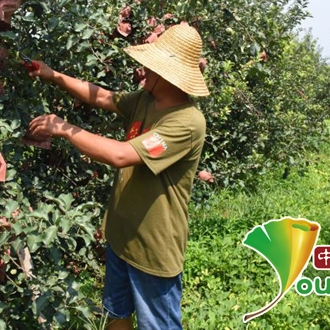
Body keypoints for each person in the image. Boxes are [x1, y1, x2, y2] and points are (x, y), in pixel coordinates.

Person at [27, 23, 209, 330]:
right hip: (122, 236)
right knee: (116, 313)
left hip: (154, 248)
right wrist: (53, 75)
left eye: (153, 65)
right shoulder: (145, 99)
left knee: (157, 325)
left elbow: (121, 155)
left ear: (169, 73)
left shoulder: (187, 123)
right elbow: (104, 98)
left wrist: (63, 127)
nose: (144, 69)